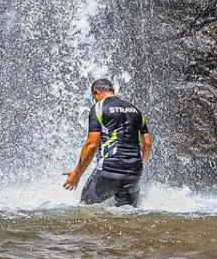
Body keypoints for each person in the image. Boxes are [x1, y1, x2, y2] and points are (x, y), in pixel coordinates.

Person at [63, 78, 151, 207]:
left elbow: (91, 145)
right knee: (129, 215)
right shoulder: (136, 110)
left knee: (84, 210)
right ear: (113, 91)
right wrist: (138, 164)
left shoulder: (99, 107)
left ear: (97, 92)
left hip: (109, 170)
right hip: (134, 173)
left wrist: (76, 174)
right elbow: (147, 143)